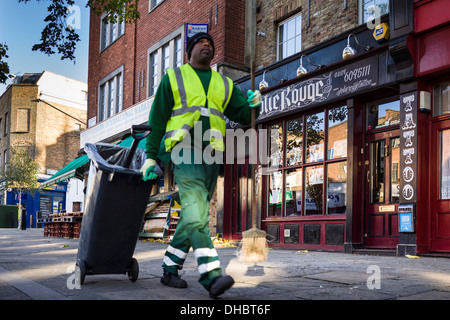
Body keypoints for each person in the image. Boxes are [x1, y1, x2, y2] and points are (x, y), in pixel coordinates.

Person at [140, 32, 261, 298]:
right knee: (197, 214)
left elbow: (242, 115)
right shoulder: (174, 78)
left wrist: (255, 104)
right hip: (185, 152)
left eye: (211, 44)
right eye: (201, 42)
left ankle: (169, 269)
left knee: (191, 215)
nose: (207, 45)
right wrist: (151, 156)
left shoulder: (224, 83)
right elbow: (157, 120)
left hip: (211, 155)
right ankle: (211, 275)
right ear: (190, 50)